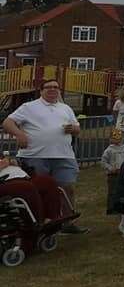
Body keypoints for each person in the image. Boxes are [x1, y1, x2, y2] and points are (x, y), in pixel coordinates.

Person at [2, 78, 86, 234]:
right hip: (35, 156)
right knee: (39, 189)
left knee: (67, 188)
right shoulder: (29, 107)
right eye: (49, 87)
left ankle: (68, 223)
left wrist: (72, 129)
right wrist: (19, 134)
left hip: (64, 155)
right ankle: (40, 222)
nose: (53, 89)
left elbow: (77, 128)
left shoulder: (66, 108)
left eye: (56, 87)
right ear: (41, 91)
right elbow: (7, 123)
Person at [101, 128, 124, 214]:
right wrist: (110, 168)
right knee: (112, 192)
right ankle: (111, 208)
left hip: (123, 174)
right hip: (112, 175)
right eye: (114, 138)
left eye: (119, 138)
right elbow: (103, 162)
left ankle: (121, 207)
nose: (117, 140)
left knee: (123, 191)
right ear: (110, 139)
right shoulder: (108, 150)